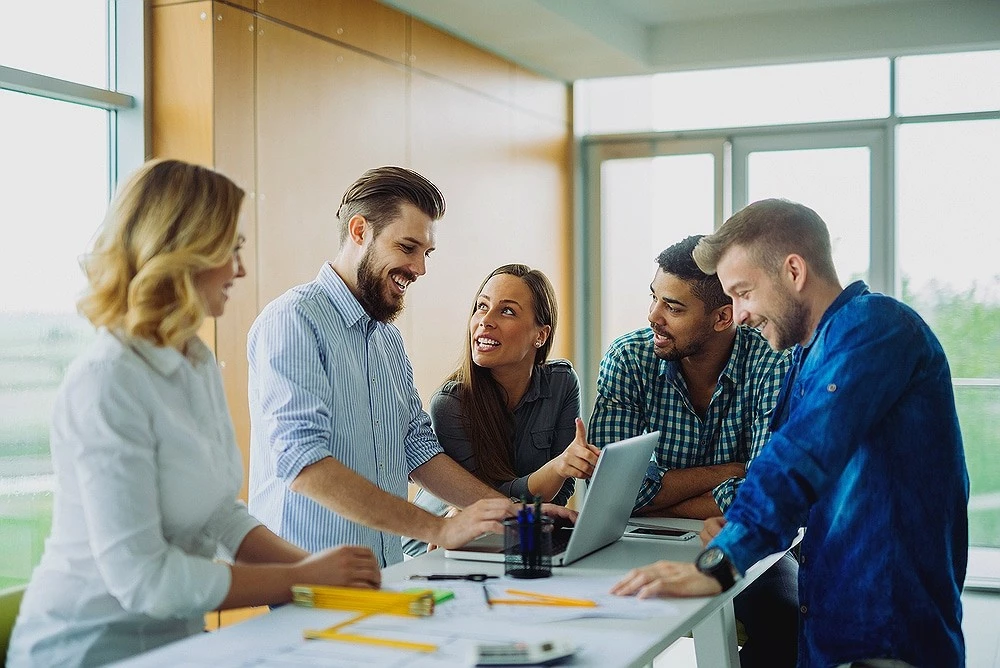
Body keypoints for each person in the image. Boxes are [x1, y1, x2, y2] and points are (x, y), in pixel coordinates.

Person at [7, 159, 381, 668]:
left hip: (176, 642)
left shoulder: (195, 361)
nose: (240, 269)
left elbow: (219, 514)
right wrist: (306, 578)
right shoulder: (107, 381)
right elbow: (147, 580)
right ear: (184, 252)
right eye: (232, 249)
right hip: (85, 651)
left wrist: (325, 572)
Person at [612, 199, 969, 668]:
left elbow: (798, 458)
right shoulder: (808, 356)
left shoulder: (874, 326)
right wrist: (742, 520)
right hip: (830, 627)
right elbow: (784, 478)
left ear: (793, 271)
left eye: (743, 292)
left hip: (886, 635)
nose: (738, 316)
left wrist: (724, 558)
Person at [247, 167, 574, 568]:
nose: (420, 268)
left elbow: (418, 451)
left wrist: (514, 514)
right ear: (359, 231)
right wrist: (437, 529)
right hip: (305, 578)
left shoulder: (387, 339)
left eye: (426, 253)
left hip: (383, 571)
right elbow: (303, 463)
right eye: (407, 248)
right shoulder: (294, 319)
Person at [590, 234, 798, 667]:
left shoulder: (771, 361)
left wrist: (656, 497)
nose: (653, 317)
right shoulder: (629, 359)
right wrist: (730, 472)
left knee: (788, 617)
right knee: (593, 611)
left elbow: (762, 496)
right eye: (654, 298)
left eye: (674, 307)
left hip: (744, 542)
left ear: (724, 317)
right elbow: (611, 491)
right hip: (636, 542)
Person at [404, 264, 600, 555]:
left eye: (506, 311)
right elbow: (484, 503)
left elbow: (561, 491)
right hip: (441, 546)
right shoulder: (450, 404)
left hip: (520, 536)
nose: (485, 320)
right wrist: (557, 468)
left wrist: (562, 471)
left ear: (541, 335)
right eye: (481, 307)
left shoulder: (562, 382)